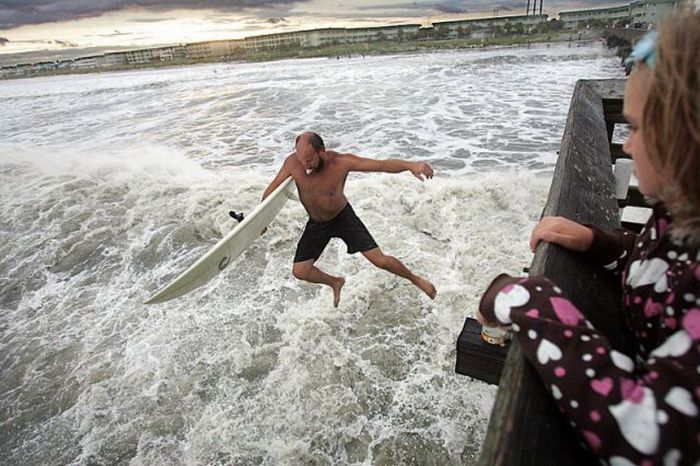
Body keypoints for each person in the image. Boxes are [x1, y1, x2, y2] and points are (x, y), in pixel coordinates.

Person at [477, 13, 699, 465]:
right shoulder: (678, 217)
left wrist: (529, 301)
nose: (629, 145)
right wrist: (602, 245)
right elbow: (663, 273)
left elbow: (650, 440)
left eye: (636, 128)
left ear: (684, 141)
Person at [262, 131, 437, 307]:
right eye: (301, 160)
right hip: (316, 223)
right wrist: (261, 222)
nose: (304, 165)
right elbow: (272, 188)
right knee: (300, 271)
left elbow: (380, 165)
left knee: (379, 260)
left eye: (309, 160)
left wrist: (410, 165)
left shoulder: (341, 163)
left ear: (321, 151)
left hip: (342, 218)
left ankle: (415, 279)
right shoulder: (293, 163)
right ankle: (335, 282)